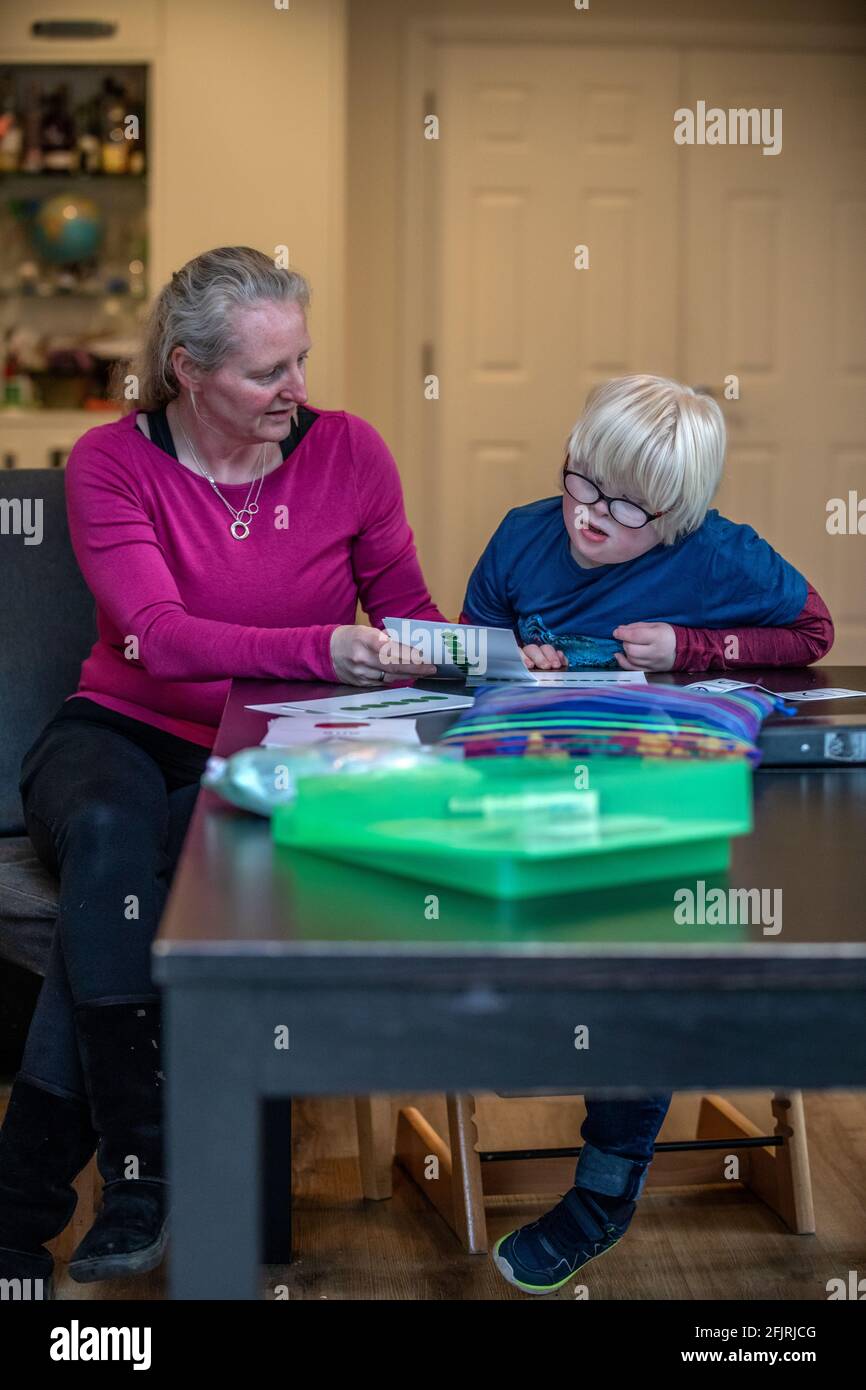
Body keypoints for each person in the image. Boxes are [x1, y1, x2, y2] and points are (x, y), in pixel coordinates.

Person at [0, 245, 444, 1295]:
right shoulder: (112, 460)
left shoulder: (350, 454)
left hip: (264, 748)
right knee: (108, 840)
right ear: (188, 368)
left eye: (301, 361)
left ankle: (31, 1205)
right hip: (116, 724)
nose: (297, 391)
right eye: (265, 372)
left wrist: (480, 655)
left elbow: (412, 615)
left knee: (124, 896)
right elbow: (157, 635)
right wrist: (322, 647)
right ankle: (145, 1163)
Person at [461, 374, 833, 1294]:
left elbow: (811, 630)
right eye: (580, 481)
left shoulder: (719, 558)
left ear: (677, 513)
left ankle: (606, 1185)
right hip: (533, 789)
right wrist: (514, 664)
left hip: (663, 805)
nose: (590, 516)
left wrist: (694, 648)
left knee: (643, 931)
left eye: (624, 506)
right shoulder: (522, 536)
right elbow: (471, 649)